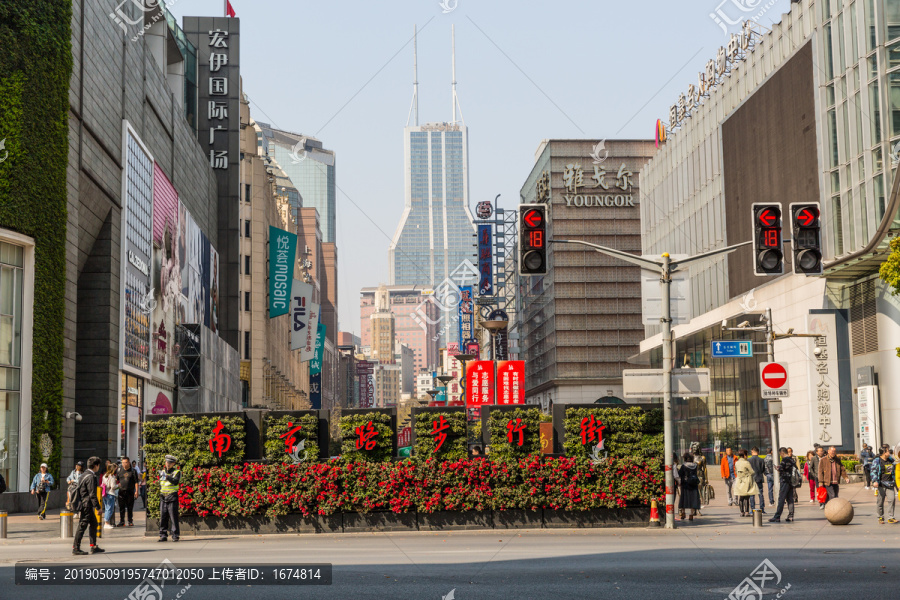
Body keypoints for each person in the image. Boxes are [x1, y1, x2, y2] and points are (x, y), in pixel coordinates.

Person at [72, 456, 104, 555]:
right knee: (82, 525)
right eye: (98, 465)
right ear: (96, 466)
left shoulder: (84, 474)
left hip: (85, 503)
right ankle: (76, 548)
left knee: (94, 523)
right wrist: (98, 507)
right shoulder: (91, 476)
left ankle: (93, 546)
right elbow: (92, 494)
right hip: (87, 505)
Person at [871, 445, 897, 524]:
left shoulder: (891, 460)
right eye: (888, 451)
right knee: (880, 502)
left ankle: (891, 517)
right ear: (884, 453)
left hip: (890, 484)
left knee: (892, 499)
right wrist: (875, 481)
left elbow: (896, 467)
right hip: (881, 484)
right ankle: (880, 517)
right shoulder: (877, 461)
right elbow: (873, 471)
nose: (889, 452)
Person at [769, 448, 796, 523]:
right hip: (791, 481)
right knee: (790, 499)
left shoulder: (784, 460)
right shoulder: (792, 460)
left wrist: (778, 468)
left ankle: (777, 516)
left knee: (781, 498)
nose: (780, 455)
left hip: (785, 481)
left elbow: (781, 469)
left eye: (780, 454)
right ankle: (791, 515)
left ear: (782, 453)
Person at [159, 455, 181, 542]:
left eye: (170, 463)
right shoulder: (162, 472)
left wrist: (167, 477)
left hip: (172, 496)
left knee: (173, 517)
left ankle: (175, 535)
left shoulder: (177, 472)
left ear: (173, 463)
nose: (168, 464)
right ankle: (163, 535)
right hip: (163, 496)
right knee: (163, 517)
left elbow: (175, 482)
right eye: (167, 462)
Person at [734, 449, 759, 517]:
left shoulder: (737, 463)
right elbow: (752, 471)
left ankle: (741, 512)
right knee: (746, 497)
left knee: (741, 497)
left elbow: (736, 471)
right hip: (746, 481)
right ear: (744, 455)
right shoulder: (746, 463)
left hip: (739, 481)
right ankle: (747, 512)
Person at [678, 451, 702, 521]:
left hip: (685, 485)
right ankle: (691, 514)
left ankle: (683, 513)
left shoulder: (683, 466)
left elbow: (679, 474)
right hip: (694, 485)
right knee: (693, 499)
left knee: (684, 499)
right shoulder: (695, 466)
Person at [116, 456, 139, 527]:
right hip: (121, 491)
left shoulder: (133, 471)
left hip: (130, 491)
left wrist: (137, 491)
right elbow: (116, 479)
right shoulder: (119, 470)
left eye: (125, 462)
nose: (124, 464)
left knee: (130, 507)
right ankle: (122, 521)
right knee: (121, 507)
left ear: (129, 462)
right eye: (123, 463)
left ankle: (130, 521)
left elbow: (136, 482)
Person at [689, 441, 711, 510]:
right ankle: (694, 508)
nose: (694, 449)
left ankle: (698, 506)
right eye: (693, 448)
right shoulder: (690, 457)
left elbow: (705, 468)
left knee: (699, 491)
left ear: (698, 448)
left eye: (695, 448)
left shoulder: (702, 458)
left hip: (700, 475)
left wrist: (706, 479)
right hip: (692, 475)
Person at [748, 447, 766, 514]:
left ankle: (752, 508)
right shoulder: (761, 460)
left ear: (752, 451)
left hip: (752, 479)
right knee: (760, 494)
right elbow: (763, 469)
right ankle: (762, 508)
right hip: (759, 478)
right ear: (758, 452)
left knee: (752, 495)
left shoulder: (749, 460)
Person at [101, 463, 119, 529]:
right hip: (111, 494)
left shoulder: (105, 475)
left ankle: (106, 522)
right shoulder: (112, 477)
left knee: (106, 508)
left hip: (105, 494)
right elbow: (113, 487)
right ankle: (106, 523)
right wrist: (118, 485)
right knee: (110, 509)